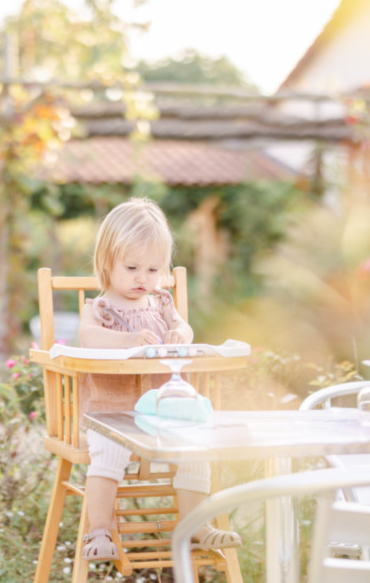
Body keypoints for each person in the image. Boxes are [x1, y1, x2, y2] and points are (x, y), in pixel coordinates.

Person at [77, 197, 241, 561]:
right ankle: (99, 529)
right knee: (107, 452)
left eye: (153, 270)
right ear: (107, 262)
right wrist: (129, 340)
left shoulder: (162, 304)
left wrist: (182, 332)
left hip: (162, 410)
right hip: (112, 412)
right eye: (132, 267)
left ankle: (197, 525)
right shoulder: (99, 308)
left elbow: (184, 326)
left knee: (196, 448)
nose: (142, 279)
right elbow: (89, 337)